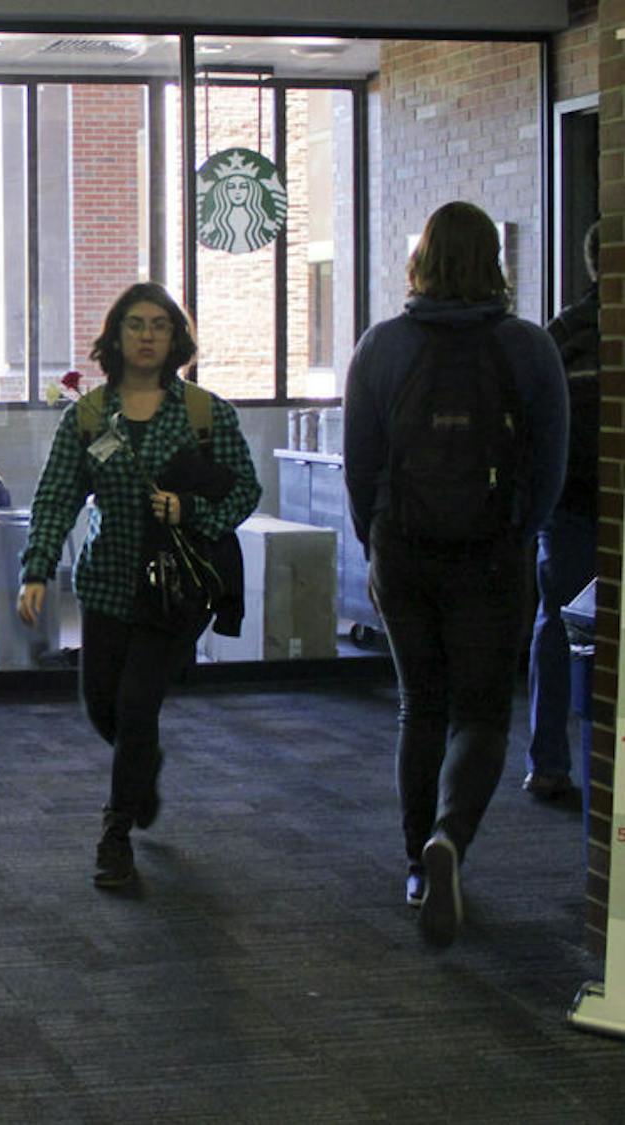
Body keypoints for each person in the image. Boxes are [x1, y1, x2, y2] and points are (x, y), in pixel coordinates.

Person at [343, 201, 568, 946]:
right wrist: (520, 535)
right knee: (482, 713)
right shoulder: (529, 348)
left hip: (404, 551)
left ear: (421, 260)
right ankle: (450, 840)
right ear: (494, 264)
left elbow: (361, 465)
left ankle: (416, 861)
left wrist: (375, 545)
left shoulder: (381, 346)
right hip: (492, 555)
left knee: (421, 707)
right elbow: (551, 464)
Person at [17, 281, 261, 888]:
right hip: (106, 584)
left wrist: (193, 514)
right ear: (116, 337)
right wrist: (37, 568)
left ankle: (115, 834)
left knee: (135, 703)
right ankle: (141, 765)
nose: (147, 335)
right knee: (104, 707)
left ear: (176, 337)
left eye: (158, 324)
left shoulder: (207, 413)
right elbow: (56, 498)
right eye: (135, 324)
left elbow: (243, 490)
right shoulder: (92, 415)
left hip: (177, 593)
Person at [525, 221, 600, 800]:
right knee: (560, 627)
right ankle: (552, 758)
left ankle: (549, 761)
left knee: (557, 625)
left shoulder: (561, 334)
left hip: (566, 505)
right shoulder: (567, 335)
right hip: (575, 507)